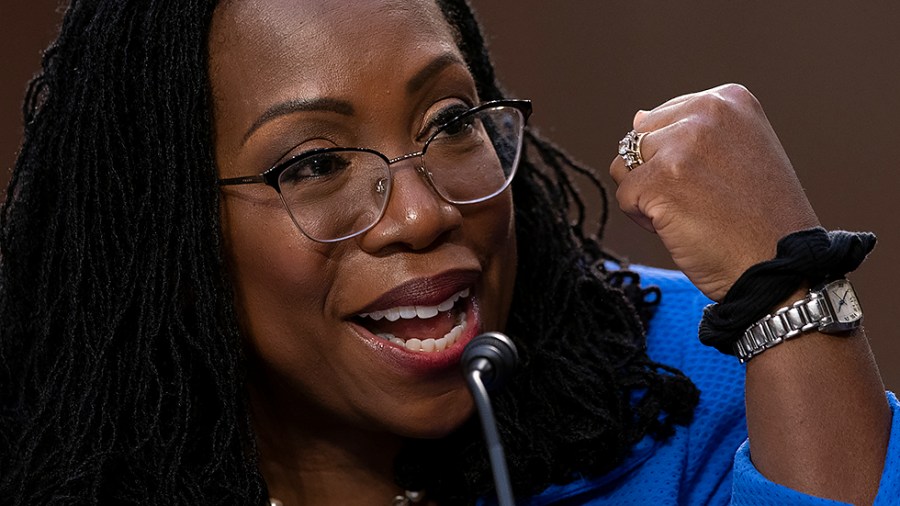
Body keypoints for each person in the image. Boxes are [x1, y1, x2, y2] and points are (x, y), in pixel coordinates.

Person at [0, 0, 896, 505]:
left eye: (452, 121)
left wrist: (786, 289)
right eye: (314, 163)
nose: (423, 214)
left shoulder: (688, 376)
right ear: (168, 227)